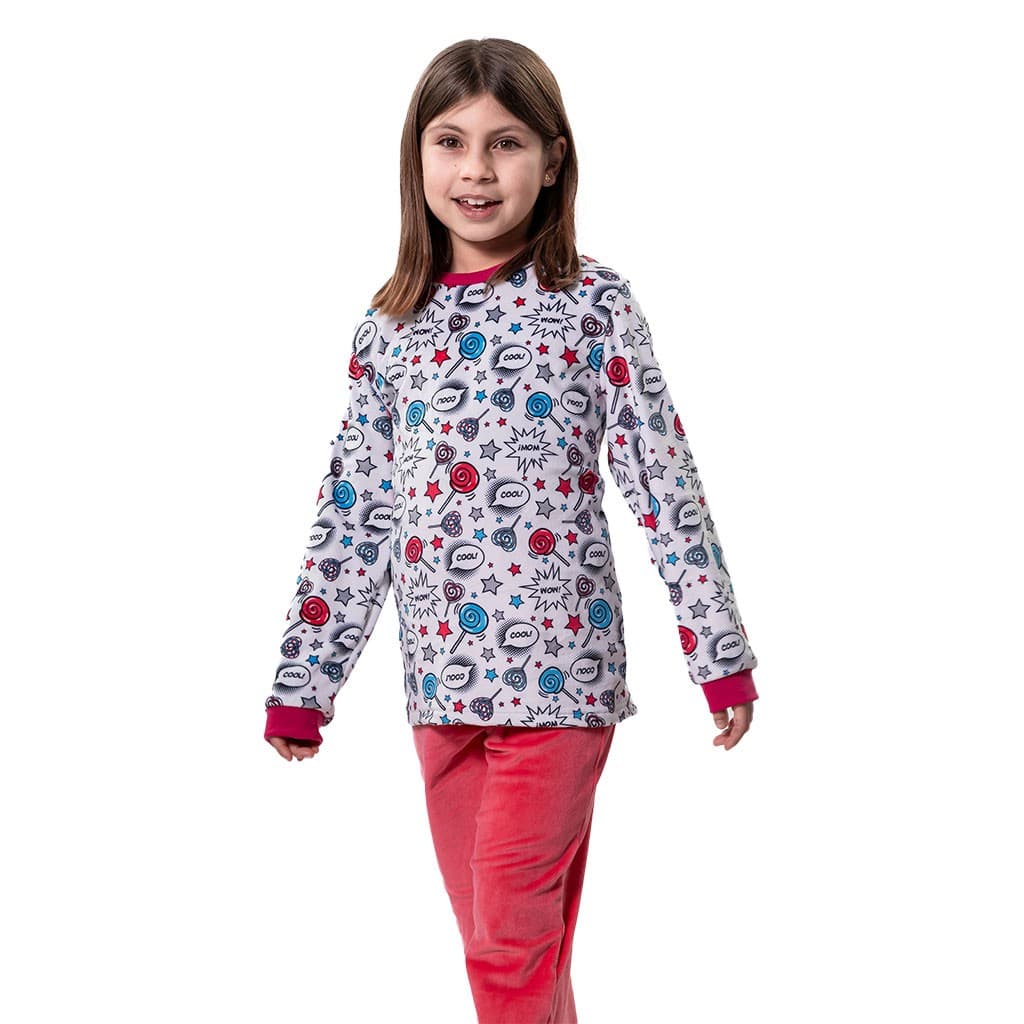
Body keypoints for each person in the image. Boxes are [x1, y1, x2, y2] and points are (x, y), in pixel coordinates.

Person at [264, 37, 759, 1024]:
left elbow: (663, 481)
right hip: (440, 686)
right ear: (417, 157)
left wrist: (720, 657)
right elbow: (355, 513)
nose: (477, 170)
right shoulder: (388, 330)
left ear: (553, 159)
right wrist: (304, 683)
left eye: (506, 143)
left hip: (559, 681)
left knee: (507, 944)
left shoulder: (592, 306)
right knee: (516, 952)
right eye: (450, 142)